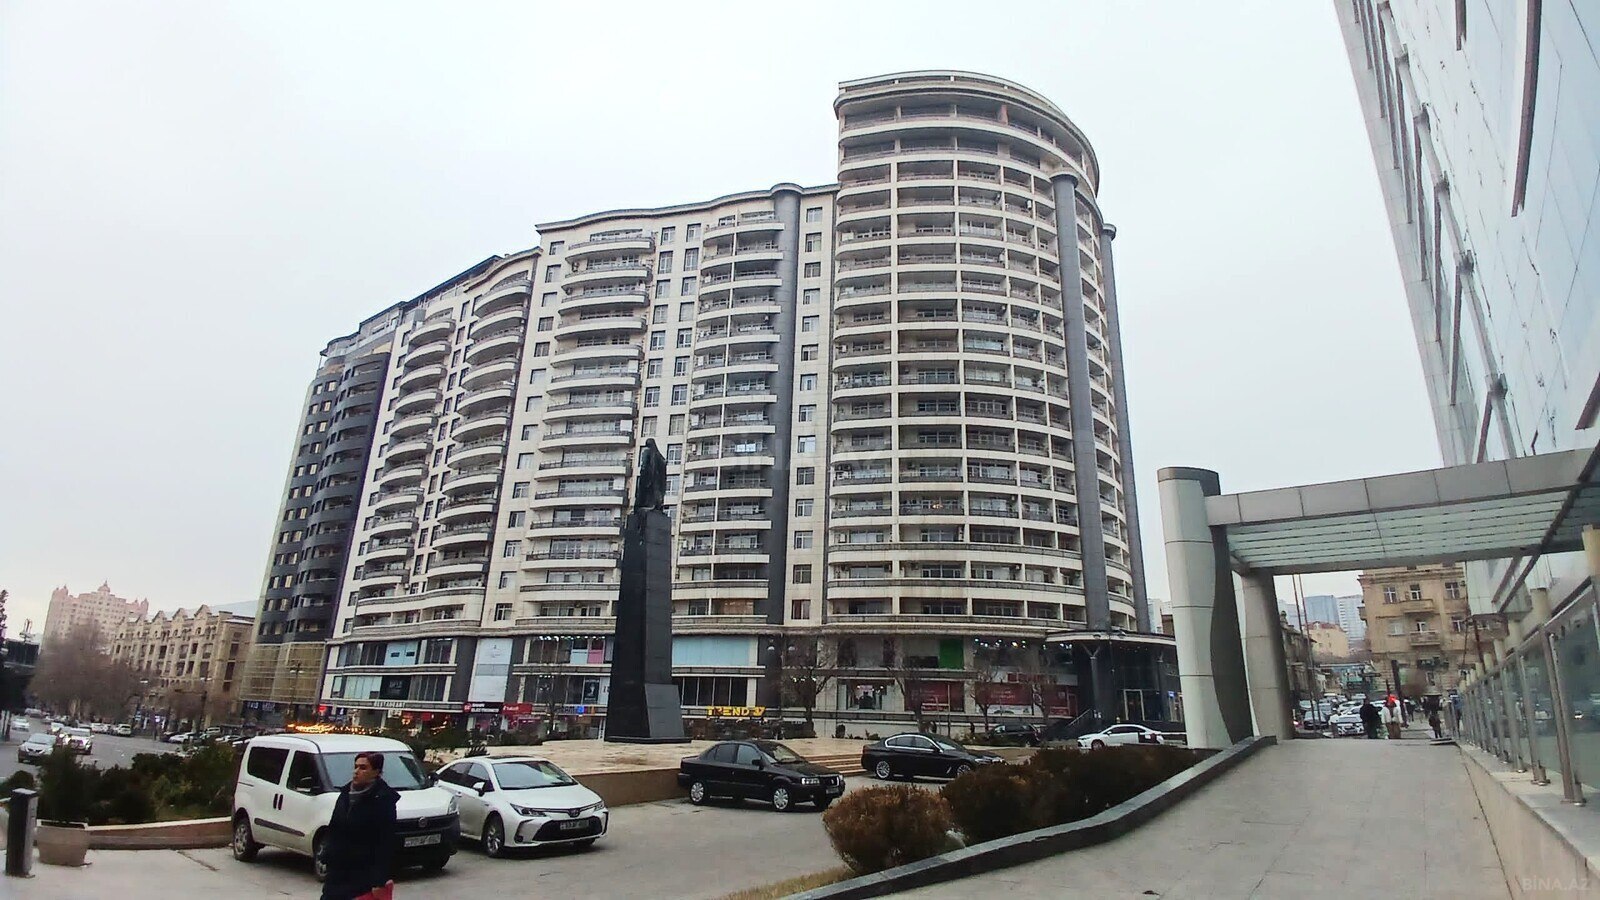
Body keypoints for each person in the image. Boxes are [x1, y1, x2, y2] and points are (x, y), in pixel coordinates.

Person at [320, 751, 398, 900]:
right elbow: (334, 827)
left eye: (363, 768)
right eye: (355, 766)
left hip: (361, 874)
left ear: (376, 772)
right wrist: (327, 854)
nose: (356, 771)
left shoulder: (383, 799)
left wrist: (379, 880)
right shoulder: (345, 794)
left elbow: (385, 842)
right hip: (337, 871)